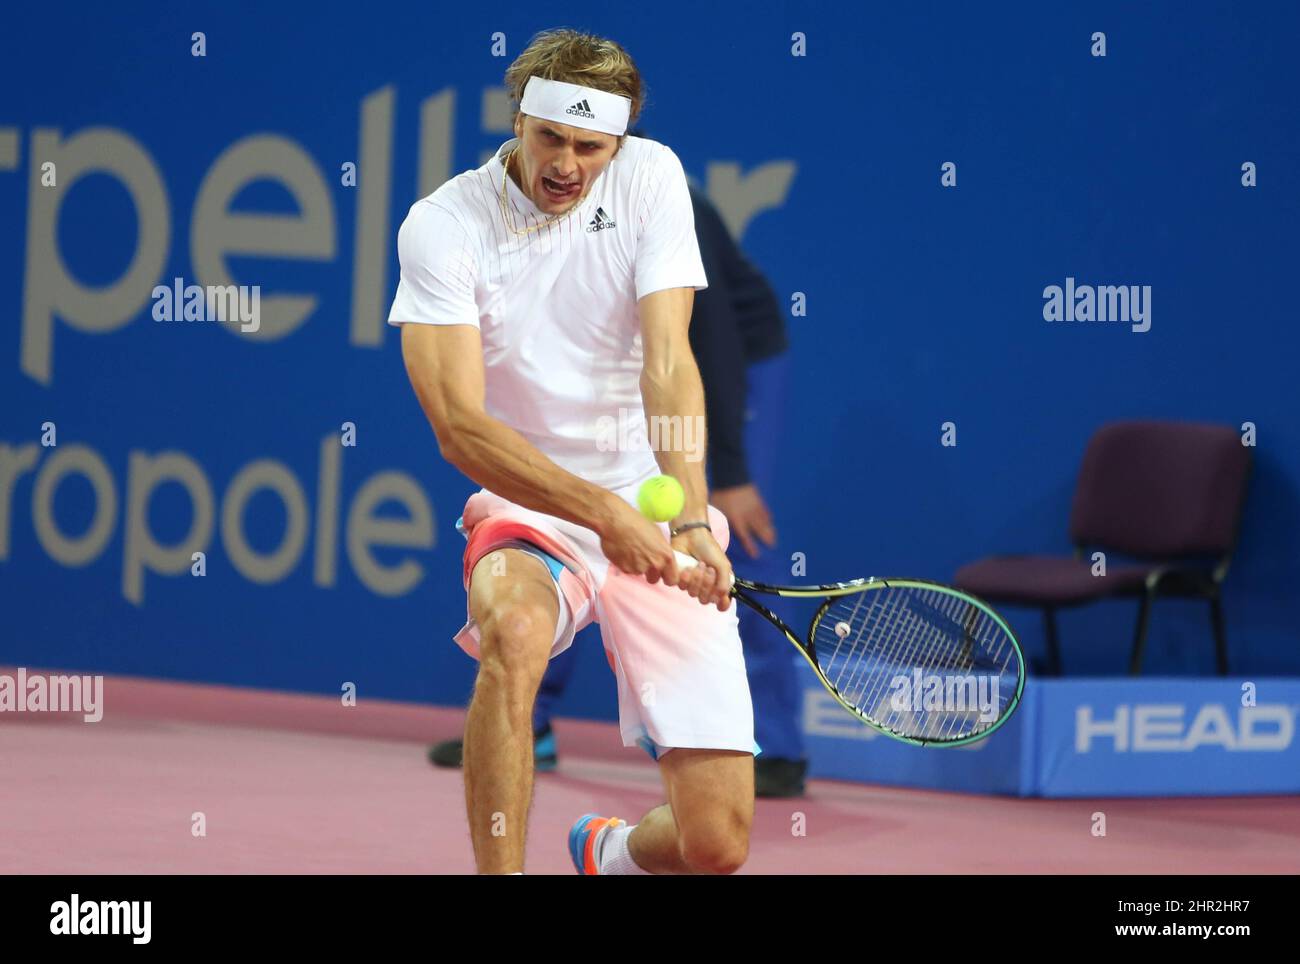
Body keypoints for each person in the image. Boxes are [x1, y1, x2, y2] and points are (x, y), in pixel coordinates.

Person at [391, 29, 753, 874]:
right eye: (550, 136)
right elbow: (460, 429)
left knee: (716, 846)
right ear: (518, 118)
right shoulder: (443, 227)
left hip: (652, 499)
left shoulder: (652, 178)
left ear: (617, 143)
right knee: (513, 629)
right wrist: (599, 513)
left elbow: (668, 360)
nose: (567, 163)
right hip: (530, 507)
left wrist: (690, 513)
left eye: (591, 146)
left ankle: (609, 853)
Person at [427, 178, 807, 796]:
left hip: (731, 362)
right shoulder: (539, 214)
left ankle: (777, 746)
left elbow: (713, 348)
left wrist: (730, 476)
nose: (565, 170)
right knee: (569, 525)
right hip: (627, 365)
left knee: (728, 534)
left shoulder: (669, 206)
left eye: (591, 148)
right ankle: (535, 718)